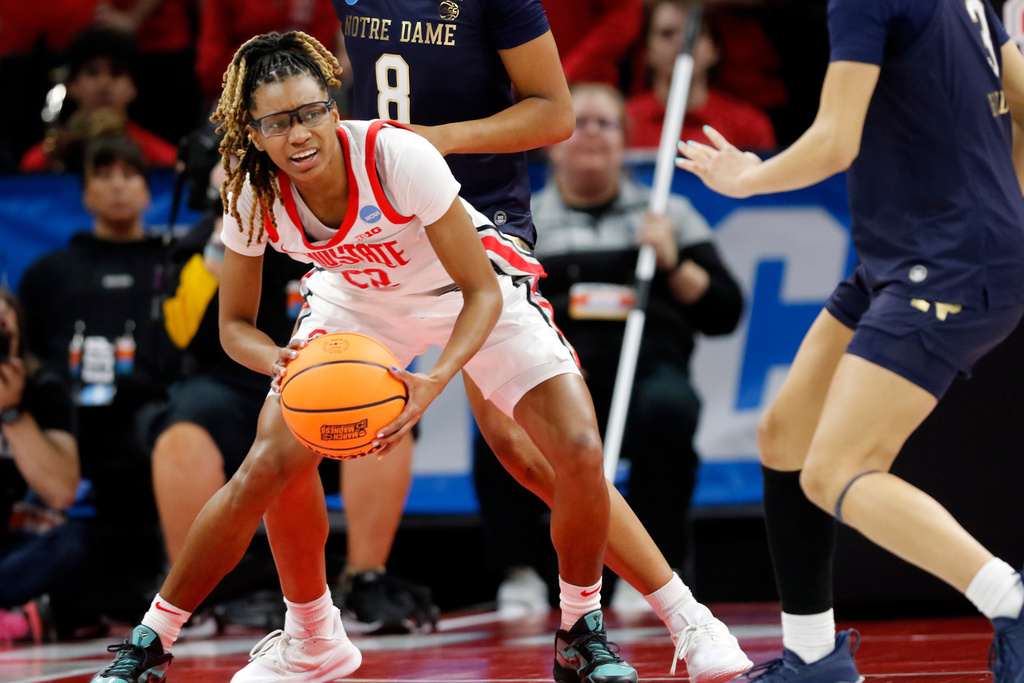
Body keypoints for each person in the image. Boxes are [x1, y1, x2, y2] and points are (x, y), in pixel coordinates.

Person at [90, 30, 643, 683]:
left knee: (568, 448)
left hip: (462, 288)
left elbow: (481, 291)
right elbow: (233, 326)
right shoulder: (248, 192)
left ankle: (587, 625)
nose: (299, 134)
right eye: (278, 121)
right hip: (359, 302)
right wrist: (282, 363)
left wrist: (430, 381)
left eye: (310, 111)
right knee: (267, 462)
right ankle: (155, 639)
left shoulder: (395, 155)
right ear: (252, 130)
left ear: (331, 104)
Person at [333, 2, 751, 680]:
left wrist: (434, 141)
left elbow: (553, 112)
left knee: (553, 451)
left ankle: (674, 615)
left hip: (478, 235)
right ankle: (307, 627)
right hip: (381, 238)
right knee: (291, 435)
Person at [676, 0, 1024, 681]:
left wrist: (745, 178)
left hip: (947, 259)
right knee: (784, 434)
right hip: (905, 253)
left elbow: (837, 140)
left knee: (835, 470)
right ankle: (813, 656)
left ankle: (1010, 597)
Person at [527, 80, 743, 597]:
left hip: (646, 366)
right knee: (507, 421)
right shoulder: (525, 221)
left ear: (626, 140)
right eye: (581, 122)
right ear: (554, 139)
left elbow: (724, 312)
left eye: (607, 123)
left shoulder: (667, 216)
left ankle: (654, 572)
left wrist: (673, 262)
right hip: (560, 369)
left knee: (670, 411)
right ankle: (526, 574)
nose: (593, 135)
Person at [19, 135, 181, 630]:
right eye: (103, 175)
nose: (116, 186)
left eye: (128, 174)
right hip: (72, 434)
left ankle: (179, 584)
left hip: (158, 430)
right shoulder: (50, 275)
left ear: (147, 190)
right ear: (84, 193)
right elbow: (29, 366)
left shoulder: (175, 267)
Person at [0, 288, 83, 643]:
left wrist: (11, 411)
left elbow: (62, 492)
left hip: (21, 546)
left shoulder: (44, 388)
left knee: (77, 543)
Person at [20, 27, 178, 173]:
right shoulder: (39, 162)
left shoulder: (166, 160)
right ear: (71, 85)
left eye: (116, 73)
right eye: (92, 72)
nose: (104, 83)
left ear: (133, 88)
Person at [626, 0, 775, 151]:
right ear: (646, 51)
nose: (682, 43)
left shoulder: (749, 125)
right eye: (667, 33)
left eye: (694, 34)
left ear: (715, 49)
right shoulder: (626, 121)